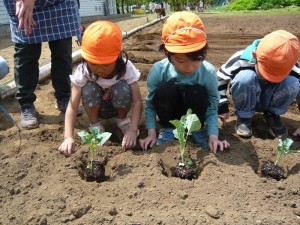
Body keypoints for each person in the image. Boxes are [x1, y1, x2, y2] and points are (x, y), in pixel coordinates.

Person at [139, 11, 230, 153]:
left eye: (196, 59)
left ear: (204, 52)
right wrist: (151, 133)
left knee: (196, 92)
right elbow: (150, 104)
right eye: (180, 60)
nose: (189, 67)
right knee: (166, 90)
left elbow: (212, 106)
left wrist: (213, 136)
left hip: (196, 113)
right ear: (167, 53)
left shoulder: (208, 72)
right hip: (169, 113)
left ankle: (197, 130)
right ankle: (168, 129)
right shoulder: (159, 71)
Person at [58, 21, 142, 157]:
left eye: (106, 64)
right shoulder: (83, 71)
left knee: (121, 87)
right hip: (97, 107)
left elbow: (137, 101)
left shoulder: (126, 68)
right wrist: (68, 137)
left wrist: (133, 130)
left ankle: (122, 122)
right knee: (89, 89)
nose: (100, 69)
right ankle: (95, 125)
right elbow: (73, 106)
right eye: (94, 63)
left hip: (118, 106)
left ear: (119, 55)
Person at [3, 0, 81, 129]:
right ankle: (26, 104)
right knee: (26, 55)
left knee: (62, 53)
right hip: (22, 3)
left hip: (59, 4)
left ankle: (64, 97)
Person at [218, 30, 300, 138]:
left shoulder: (292, 66)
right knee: (245, 77)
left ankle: (272, 115)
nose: (271, 79)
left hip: (272, 99)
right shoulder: (241, 58)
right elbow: (220, 78)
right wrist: (222, 105)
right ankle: (244, 117)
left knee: (293, 83)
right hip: (247, 96)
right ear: (255, 55)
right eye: (267, 73)